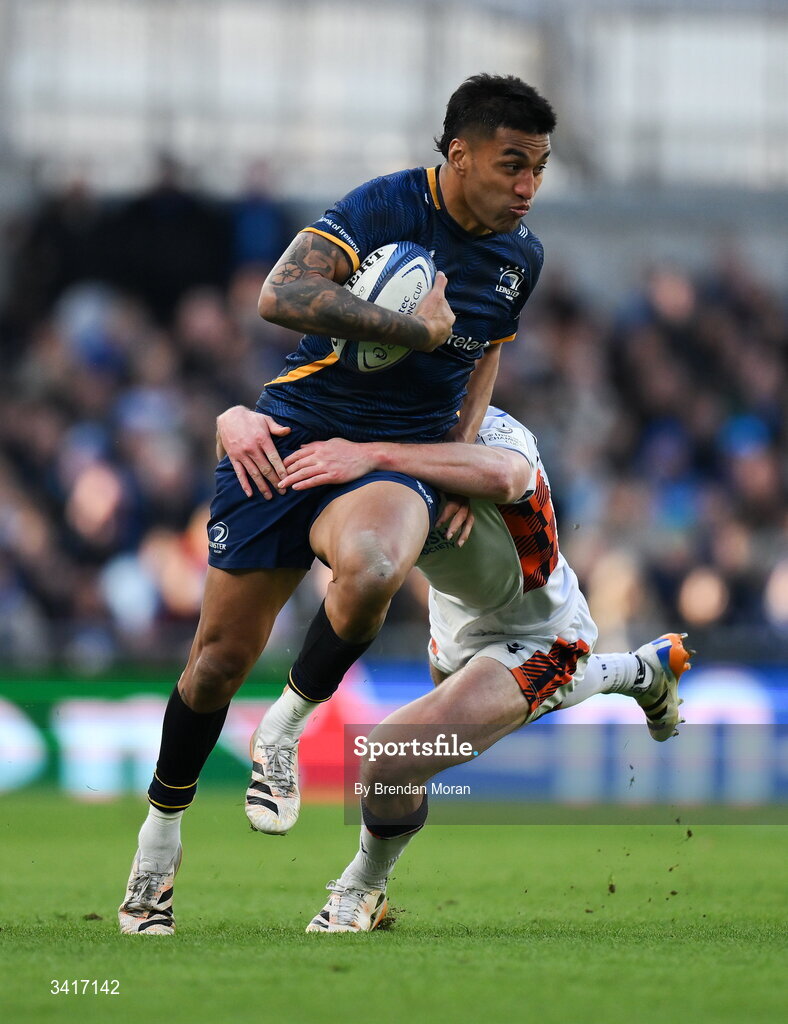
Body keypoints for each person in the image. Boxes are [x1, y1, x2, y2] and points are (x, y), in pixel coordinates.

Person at [118, 73, 557, 935]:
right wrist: (411, 332)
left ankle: (282, 731)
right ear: (459, 154)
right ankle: (157, 844)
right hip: (288, 439)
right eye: (512, 165)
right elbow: (277, 296)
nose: (526, 188)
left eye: (539, 168)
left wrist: (460, 457)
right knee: (214, 663)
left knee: (378, 565)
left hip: (391, 462)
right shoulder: (381, 207)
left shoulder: (520, 257)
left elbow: (486, 360)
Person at [271, 407, 693, 933]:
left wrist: (379, 458)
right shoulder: (368, 424)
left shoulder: (495, 435)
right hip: (453, 626)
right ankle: (635, 672)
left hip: (539, 632)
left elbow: (509, 476)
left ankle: (363, 887)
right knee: (418, 761)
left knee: (389, 759)